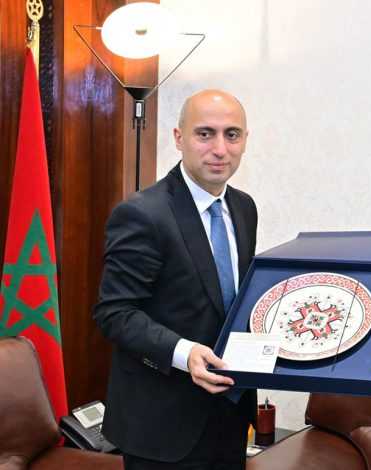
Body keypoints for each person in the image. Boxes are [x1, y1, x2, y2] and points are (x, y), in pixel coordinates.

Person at [94, 89, 258, 469]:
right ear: (179, 138)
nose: (220, 149)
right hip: (161, 428)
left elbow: (230, 301)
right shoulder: (142, 213)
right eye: (205, 134)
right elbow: (115, 313)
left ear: (245, 140)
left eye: (232, 135)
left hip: (230, 416)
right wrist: (185, 353)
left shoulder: (244, 207)